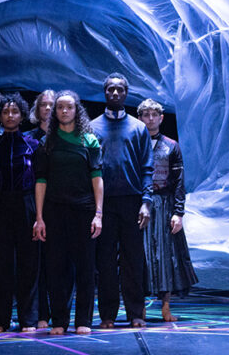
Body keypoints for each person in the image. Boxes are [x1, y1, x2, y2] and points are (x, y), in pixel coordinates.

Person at [32, 91, 103, 336]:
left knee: (85, 267)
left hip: (83, 211)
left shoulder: (89, 140)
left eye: (69, 107)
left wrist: (99, 214)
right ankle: (59, 321)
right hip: (53, 211)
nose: (64, 111)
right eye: (59, 107)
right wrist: (39, 217)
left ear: (76, 110)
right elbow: (40, 180)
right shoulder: (47, 143)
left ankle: (83, 319)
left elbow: (97, 178)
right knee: (55, 268)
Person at [90, 73, 153, 328]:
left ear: (126, 93)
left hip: (131, 201)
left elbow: (147, 167)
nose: (115, 93)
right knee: (104, 262)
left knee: (132, 260)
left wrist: (146, 202)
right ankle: (107, 315)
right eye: (110, 89)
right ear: (104, 93)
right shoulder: (92, 127)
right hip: (103, 204)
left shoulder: (138, 128)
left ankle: (136, 313)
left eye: (120, 90)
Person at [0, 94, 42, 333]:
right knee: (0, 265)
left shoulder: (32, 145)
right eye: (5, 112)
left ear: (22, 115)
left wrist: (39, 217)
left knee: (29, 263)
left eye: (14, 112)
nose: (10, 116)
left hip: (26, 205)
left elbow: (40, 182)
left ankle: (28, 319)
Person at [137, 99, 197, 322]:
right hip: (141, 205)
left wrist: (178, 212)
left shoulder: (171, 145)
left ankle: (165, 306)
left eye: (154, 114)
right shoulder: (135, 143)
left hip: (164, 205)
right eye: (146, 115)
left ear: (161, 118)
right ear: (141, 118)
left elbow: (179, 181)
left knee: (166, 256)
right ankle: (139, 307)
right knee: (141, 256)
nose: (150, 118)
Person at [23, 88, 56, 328]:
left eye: (51, 104)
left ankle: (60, 312)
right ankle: (40, 314)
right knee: (35, 262)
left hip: (60, 203)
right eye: (43, 104)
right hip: (33, 204)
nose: (47, 108)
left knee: (59, 263)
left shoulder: (66, 135)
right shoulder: (28, 138)